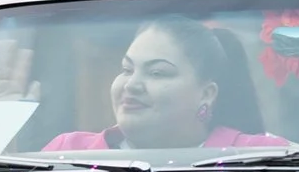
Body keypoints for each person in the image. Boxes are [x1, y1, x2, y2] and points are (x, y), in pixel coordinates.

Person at [43, 18, 286, 152]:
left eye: (157, 73)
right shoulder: (67, 151)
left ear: (206, 94)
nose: (132, 85)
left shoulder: (264, 155)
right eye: (127, 70)